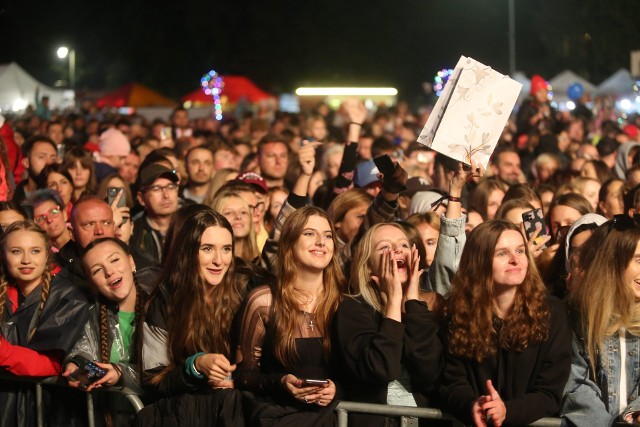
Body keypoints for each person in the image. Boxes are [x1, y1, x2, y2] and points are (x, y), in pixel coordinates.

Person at [439, 220, 572, 426]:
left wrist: (507, 411)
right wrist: (472, 405)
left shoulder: (552, 312)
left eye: (520, 251)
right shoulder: (458, 312)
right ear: (479, 261)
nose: (515, 260)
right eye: (502, 253)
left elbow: (550, 392)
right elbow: (451, 383)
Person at [235, 206, 345, 427]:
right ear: (289, 245)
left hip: (333, 418)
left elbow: (360, 373)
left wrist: (337, 389)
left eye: (327, 236)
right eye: (309, 234)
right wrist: (281, 382)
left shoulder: (345, 303)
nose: (321, 242)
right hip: (278, 418)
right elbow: (243, 375)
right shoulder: (264, 301)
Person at [137, 208, 244, 426]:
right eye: (207, 249)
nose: (218, 260)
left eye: (226, 249)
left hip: (232, 407)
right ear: (189, 251)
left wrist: (239, 379)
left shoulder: (243, 292)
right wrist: (195, 366)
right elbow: (153, 377)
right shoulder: (165, 300)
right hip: (182, 411)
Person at [332, 222, 442, 426]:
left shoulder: (423, 309)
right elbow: (381, 370)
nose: (397, 250)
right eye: (384, 247)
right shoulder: (353, 309)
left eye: (403, 245)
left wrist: (411, 301)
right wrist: (392, 304)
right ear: (368, 267)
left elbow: (429, 373)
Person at [0, 221, 89, 427]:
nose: (26, 260)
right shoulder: (4, 294)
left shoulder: (68, 296)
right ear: (3, 255)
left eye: (35, 251)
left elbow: (51, 363)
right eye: (16, 251)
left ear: (47, 254)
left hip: (49, 410)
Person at [562, 216, 640, 425]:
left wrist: (633, 414)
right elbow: (575, 387)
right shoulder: (575, 318)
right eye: (639, 260)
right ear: (613, 263)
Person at [63, 237, 147, 425]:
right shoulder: (90, 314)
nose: (109, 272)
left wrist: (120, 373)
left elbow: (163, 370)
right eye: (97, 270)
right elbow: (82, 348)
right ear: (92, 283)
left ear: (131, 261)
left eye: (114, 260)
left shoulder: (161, 306)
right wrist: (75, 364)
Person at [131, 164, 180, 263]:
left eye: (170, 187)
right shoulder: (134, 233)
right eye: (156, 189)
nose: (166, 195)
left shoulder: (190, 226)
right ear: (141, 198)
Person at [211, 191, 260, 262]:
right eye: (228, 213)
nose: (238, 216)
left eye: (243, 212)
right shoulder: (211, 262)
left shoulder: (263, 263)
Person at [30, 189, 72, 254]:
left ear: (64, 214)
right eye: (41, 218)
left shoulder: (81, 234)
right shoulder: (43, 254)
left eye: (53, 212)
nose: (49, 220)